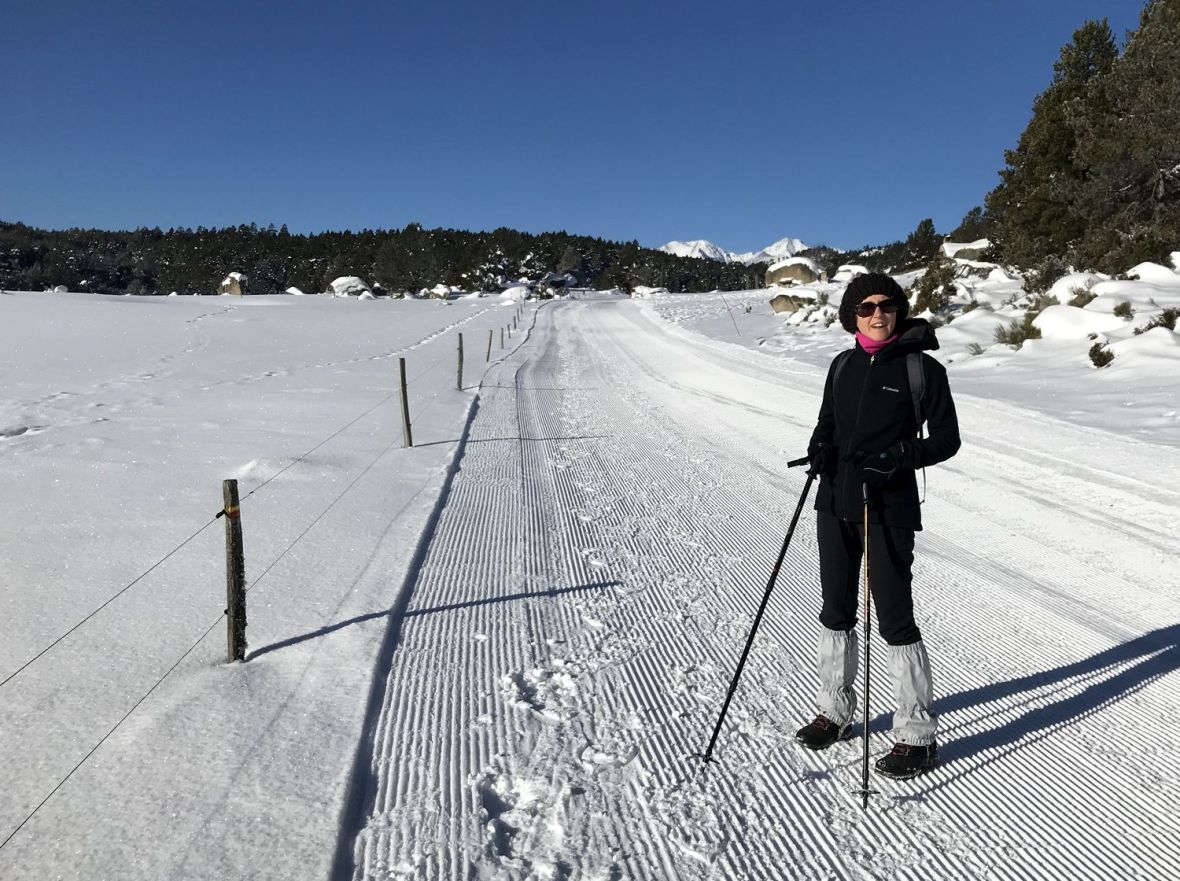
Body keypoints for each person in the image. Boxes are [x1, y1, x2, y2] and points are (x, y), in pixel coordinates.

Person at [793, 272, 960, 779]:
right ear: (852, 315)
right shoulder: (842, 363)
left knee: (894, 617)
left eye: (887, 305)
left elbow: (947, 440)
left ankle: (917, 734)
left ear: (899, 311)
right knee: (836, 608)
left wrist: (897, 457)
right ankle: (836, 712)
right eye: (866, 307)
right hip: (836, 501)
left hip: (888, 506)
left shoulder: (921, 369)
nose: (877, 313)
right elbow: (828, 423)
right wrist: (821, 448)